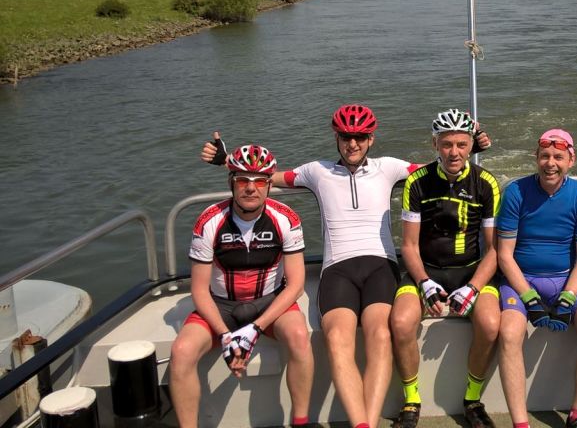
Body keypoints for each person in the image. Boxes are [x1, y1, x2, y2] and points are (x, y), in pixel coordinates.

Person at [202, 104, 489, 428]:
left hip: (380, 265)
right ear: (336, 138)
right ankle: (362, 424)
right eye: (346, 137)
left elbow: (441, 166)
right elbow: (265, 175)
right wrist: (224, 160)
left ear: (371, 139)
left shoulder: (389, 167)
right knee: (338, 340)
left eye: (360, 137)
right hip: (337, 268)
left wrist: (474, 145)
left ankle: (366, 423)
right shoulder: (317, 171)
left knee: (380, 336)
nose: (353, 144)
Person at [170, 144, 313, 428]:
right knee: (182, 352)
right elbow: (199, 290)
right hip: (220, 306)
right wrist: (226, 336)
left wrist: (255, 328)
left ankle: (301, 422)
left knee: (299, 336)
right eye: (242, 180)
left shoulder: (286, 218)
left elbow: (296, 284)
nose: (250, 188)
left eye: (259, 181)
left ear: (269, 185)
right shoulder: (209, 221)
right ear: (231, 182)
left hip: (269, 302)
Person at [390, 109, 502, 428]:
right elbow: (409, 246)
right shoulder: (417, 182)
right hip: (426, 270)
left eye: (462, 145)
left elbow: (494, 250)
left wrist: (473, 288)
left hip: (471, 271)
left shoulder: (486, 183)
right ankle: (411, 401)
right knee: (400, 322)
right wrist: (424, 282)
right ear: (435, 144)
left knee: (490, 324)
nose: (454, 152)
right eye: (447, 144)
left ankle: (472, 400)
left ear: (471, 146)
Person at [495, 128, 577, 428]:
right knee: (509, 334)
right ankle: (521, 423)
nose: (550, 163)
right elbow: (504, 255)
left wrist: (568, 297)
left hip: (565, 279)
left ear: (571, 160)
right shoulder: (516, 192)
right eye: (544, 156)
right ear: (536, 158)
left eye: (558, 157)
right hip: (521, 280)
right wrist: (529, 298)